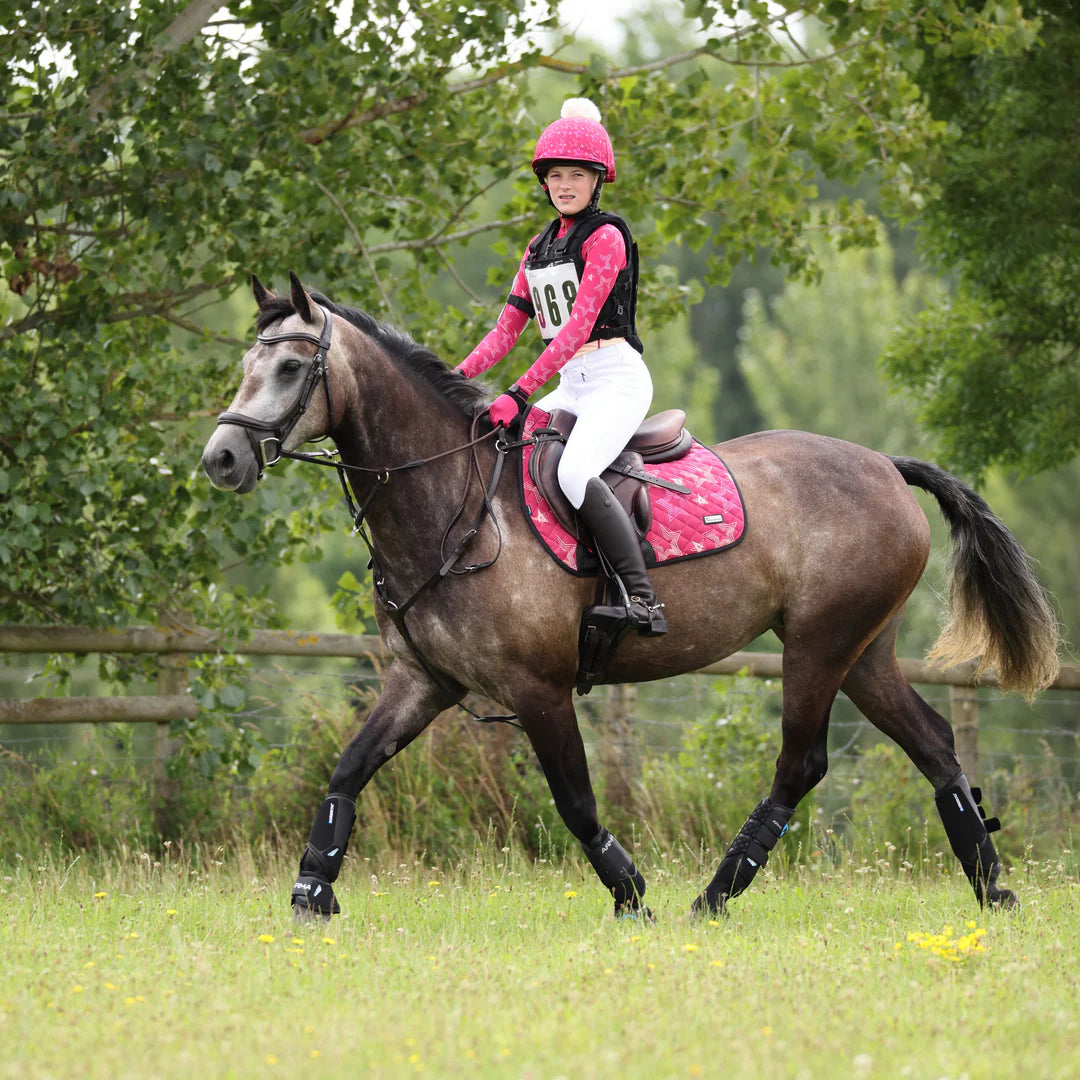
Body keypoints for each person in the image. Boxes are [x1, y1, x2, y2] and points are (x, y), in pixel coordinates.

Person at [455, 98, 666, 636]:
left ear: (598, 181)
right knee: (503, 453)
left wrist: (520, 392)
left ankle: (642, 598)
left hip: (614, 379)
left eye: (577, 174)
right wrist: (452, 381)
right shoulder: (538, 247)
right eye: (555, 176)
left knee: (574, 472)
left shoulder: (606, 237)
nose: (565, 184)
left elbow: (575, 330)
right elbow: (507, 330)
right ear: (544, 183)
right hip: (571, 383)